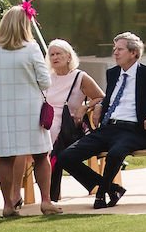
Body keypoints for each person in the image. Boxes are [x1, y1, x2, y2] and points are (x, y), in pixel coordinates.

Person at [54, 31, 146, 208]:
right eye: (114, 49)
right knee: (65, 157)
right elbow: (112, 98)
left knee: (115, 154)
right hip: (109, 128)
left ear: (133, 53)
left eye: (120, 49)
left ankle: (101, 195)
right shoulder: (113, 73)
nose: (115, 52)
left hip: (135, 130)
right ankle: (111, 188)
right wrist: (99, 106)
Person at [0, 5, 59, 218]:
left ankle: (7, 204)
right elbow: (45, 81)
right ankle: (46, 201)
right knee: (41, 155)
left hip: (0, 108)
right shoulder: (31, 48)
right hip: (29, 108)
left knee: (6, 157)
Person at [43, 39, 105, 202]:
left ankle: (51, 196)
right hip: (49, 123)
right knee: (55, 148)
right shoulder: (47, 78)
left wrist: (84, 107)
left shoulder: (79, 76)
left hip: (71, 128)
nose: (55, 57)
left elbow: (101, 97)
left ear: (69, 57)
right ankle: (50, 196)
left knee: (58, 150)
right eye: (52, 54)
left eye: (59, 54)